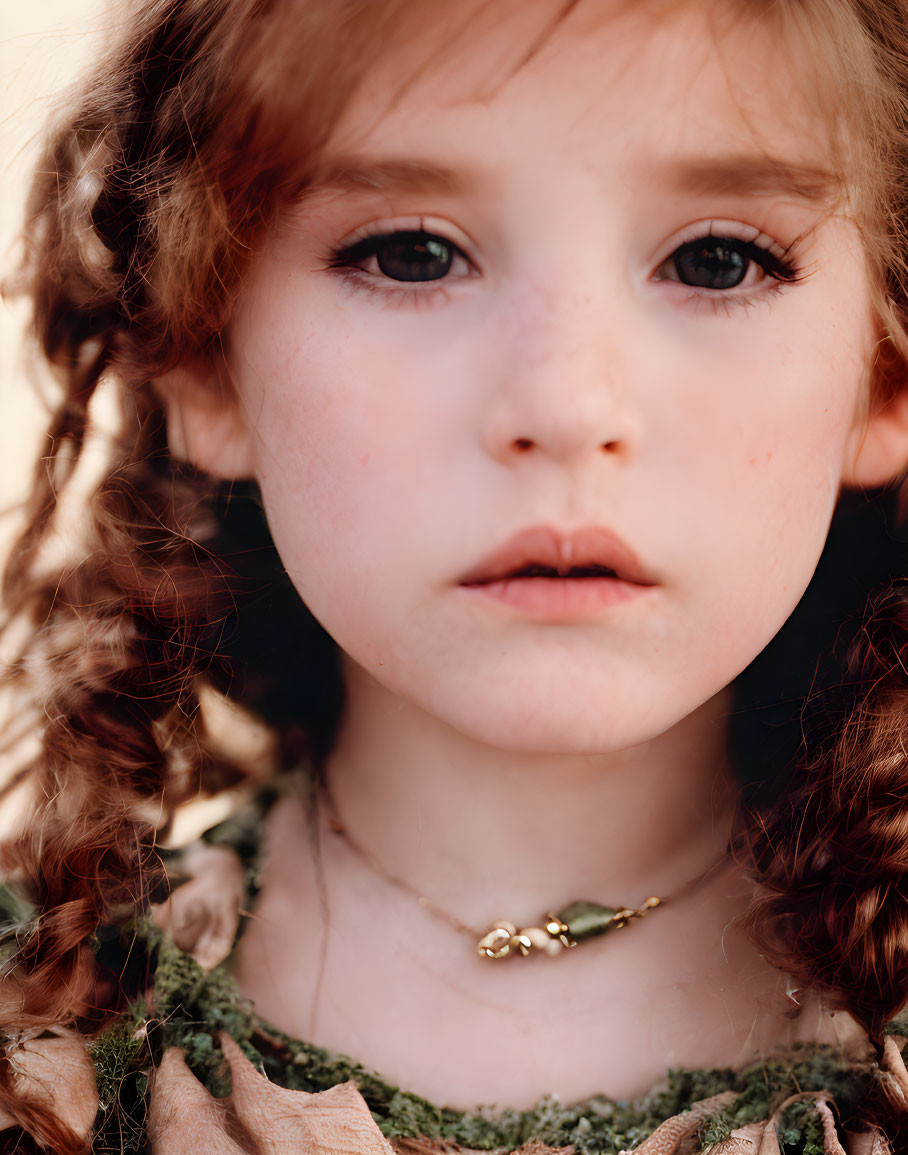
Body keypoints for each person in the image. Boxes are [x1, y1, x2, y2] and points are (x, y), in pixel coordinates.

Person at [2, 0, 908, 1150]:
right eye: (412, 253)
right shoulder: (26, 1032)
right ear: (202, 359)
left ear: (882, 373)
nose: (565, 408)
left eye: (714, 258)